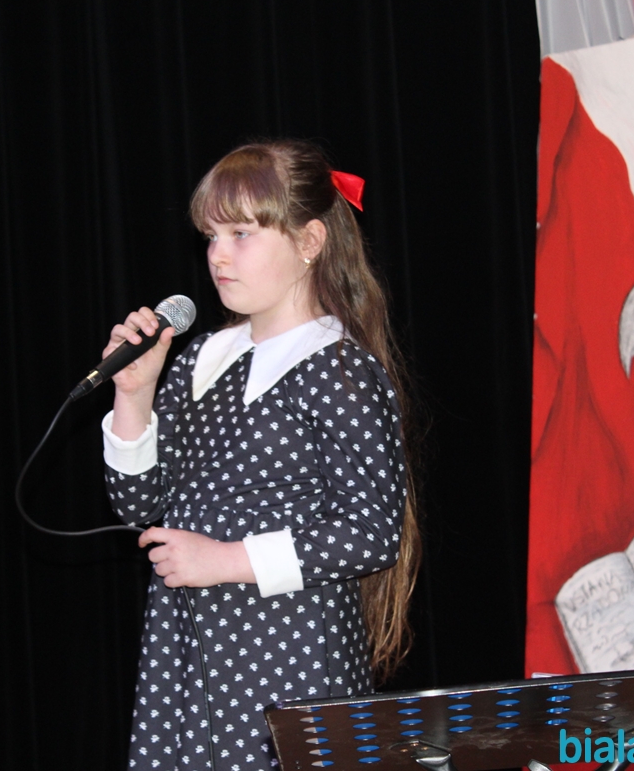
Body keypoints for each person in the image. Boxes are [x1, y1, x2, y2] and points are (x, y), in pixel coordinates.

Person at [101, 139, 420, 771]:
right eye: (211, 236)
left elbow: (371, 533)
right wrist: (133, 396)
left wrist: (225, 559)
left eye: (241, 234)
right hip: (188, 653)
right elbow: (138, 506)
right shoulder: (202, 358)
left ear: (309, 242)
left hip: (289, 655)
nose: (217, 255)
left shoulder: (340, 371)